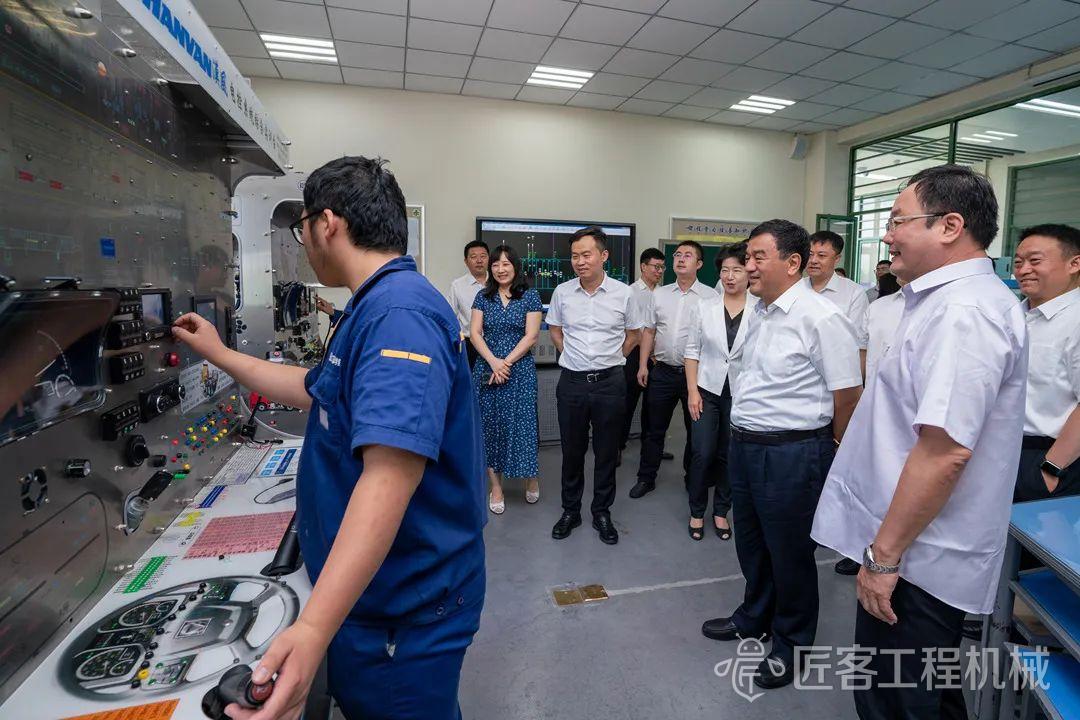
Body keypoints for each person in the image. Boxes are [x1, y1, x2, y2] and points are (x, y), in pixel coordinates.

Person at [173, 156, 486, 720]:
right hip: (377, 599)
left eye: (302, 229)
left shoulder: (400, 316)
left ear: (327, 223)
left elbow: (389, 477)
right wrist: (219, 354)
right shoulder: (372, 304)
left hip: (403, 609)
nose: (305, 244)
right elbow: (314, 389)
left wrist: (313, 628)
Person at [812, 164, 1027, 720]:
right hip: (911, 543)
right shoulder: (938, 301)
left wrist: (883, 558)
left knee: (898, 697)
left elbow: (944, 451)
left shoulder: (964, 312)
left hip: (918, 557)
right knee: (925, 691)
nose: (887, 236)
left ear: (950, 226)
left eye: (897, 221)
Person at [701, 219, 862, 690]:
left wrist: (831, 451)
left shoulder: (822, 318)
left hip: (793, 453)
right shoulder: (760, 312)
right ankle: (754, 616)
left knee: (790, 554)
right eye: (747, 257)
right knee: (751, 543)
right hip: (746, 446)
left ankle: (792, 643)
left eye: (758, 257)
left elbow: (848, 396)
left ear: (793, 263)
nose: (747, 266)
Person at [546, 226, 644, 545]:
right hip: (572, 383)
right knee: (572, 451)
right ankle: (570, 511)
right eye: (575, 256)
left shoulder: (624, 293)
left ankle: (602, 511)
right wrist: (570, 354)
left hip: (610, 384)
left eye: (586, 255)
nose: (580, 261)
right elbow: (555, 330)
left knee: (606, 452)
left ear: (603, 256)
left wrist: (613, 358)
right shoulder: (562, 292)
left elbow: (634, 335)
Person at [631, 241, 719, 499]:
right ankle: (646, 477)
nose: (680, 259)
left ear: (699, 264)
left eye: (688, 255)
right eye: (678, 254)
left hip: (696, 377)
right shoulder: (659, 294)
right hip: (662, 372)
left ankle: (693, 478)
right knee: (653, 429)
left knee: (695, 432)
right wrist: (643, 365)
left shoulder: (711, 297)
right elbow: (649, 331)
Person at [469, 244, 543, 515]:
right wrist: (493, 362)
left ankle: (531, 478)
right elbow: (475, 333)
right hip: (487, 370)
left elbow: (531, 336)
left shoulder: (530, 296)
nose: (500, 269)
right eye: (496, 264)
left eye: (506, 264)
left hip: (519, 371)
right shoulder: (482, 296)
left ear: (515, 266)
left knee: (523, 426)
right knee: (489, 428)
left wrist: (506, 362)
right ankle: (496, 487)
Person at [684, 241, 749, 541]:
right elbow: (691, 351)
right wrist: (692, 392)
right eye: (725, 270)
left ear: (749, 272)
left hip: (741, 394)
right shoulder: (705, 306)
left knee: (729, 454)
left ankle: (721, 511)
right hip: (706, 390)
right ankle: (697, 511)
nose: (730, 276)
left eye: (737, 270)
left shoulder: (760, 309)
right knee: (702, 452)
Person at [1012, 223, 1080, 503]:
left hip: (1050, 458)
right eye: (1018, 262)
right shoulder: (1013, 315)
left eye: (1035, 261)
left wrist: (1051, 469)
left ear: (1074, 264)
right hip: (1003, 449)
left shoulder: (1075, 320)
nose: (1023, 270)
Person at [805, 230, 870, 374]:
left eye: (821, 255)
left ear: (837, 259)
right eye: (810, 254)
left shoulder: (853, 293)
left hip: (836, 372)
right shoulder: (796, 289)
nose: (813, 260)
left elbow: (859, 344)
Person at [621, 248, 665, 463]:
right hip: (635, 354)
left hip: (658, 359)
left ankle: (652, 449)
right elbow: (635, 329)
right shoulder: (630, 292)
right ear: (643, 266)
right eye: (656, 266)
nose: (659, 271)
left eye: (662, 267)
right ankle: (618, 447)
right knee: (627, 404)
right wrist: (649, 352)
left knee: (654, 407)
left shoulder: (664, 293)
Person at [449, 239, 489, 368]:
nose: (479, 260)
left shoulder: (499, 282)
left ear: (489, 259)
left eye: (483, 256)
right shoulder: (457, 285)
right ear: (466, 261)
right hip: (469, 345)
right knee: (470, 379)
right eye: (473, 257)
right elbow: (450, 317)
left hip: (495, 342)